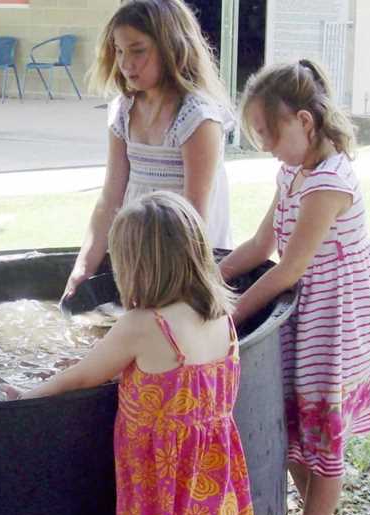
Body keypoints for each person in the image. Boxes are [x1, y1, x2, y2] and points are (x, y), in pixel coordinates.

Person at [10, 191, 255, 515]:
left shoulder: (143, 326)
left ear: (137, 265)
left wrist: (26, 394)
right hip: (211, 485)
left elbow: (80, 376)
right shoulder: (222, 319)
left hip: (156, 492)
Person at [219, 60, 370, 515]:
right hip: (311, 303)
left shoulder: (331, 179)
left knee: (324, 427)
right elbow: (261, 244)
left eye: (268, 132)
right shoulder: (293, 171)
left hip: (339, 311)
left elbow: (290, 266)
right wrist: (208, 279)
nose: (265, 145)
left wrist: (230, 316)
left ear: (304, 121)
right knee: (298, 419)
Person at [64, 0, 235, 300]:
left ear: (171, 46)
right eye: (119, 50)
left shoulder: (197, 117)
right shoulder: (123, 111)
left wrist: (169, 284)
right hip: (140, 257)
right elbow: (110, 198)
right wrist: (83, 266)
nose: (126, 63)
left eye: (138, 50)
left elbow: (195, 215)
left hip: (185, 264)